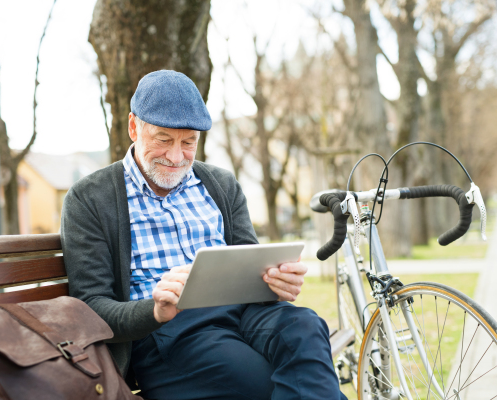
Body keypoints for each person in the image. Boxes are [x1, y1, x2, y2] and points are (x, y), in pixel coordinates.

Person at [61, 70, 346, 400]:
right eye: (163, 140)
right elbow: (91, 306)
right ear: (133, 127)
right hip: (167, 333)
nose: (176, 156)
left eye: (189, 142)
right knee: (273, 383)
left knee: (307, 327)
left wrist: (275, 283)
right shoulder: (90, 198)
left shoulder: (220, 184)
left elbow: (248, 266)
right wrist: (154, 311)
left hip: (244, 314)